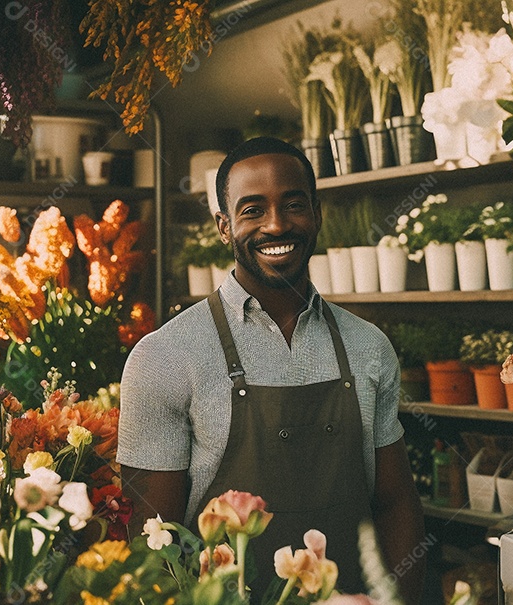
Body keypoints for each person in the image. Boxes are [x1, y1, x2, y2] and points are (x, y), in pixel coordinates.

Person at [117, 137, 425, 602]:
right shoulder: (164, 355)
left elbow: (396, 503)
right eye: (253, 210)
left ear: (317, 214)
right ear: (224, 227)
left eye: (293, 205)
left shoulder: (368, 348)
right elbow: (150, 539)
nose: (277, 224)